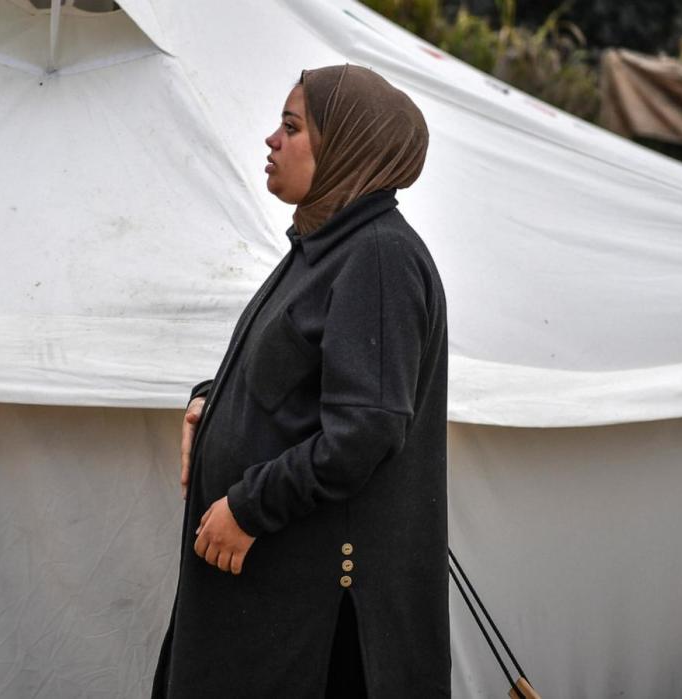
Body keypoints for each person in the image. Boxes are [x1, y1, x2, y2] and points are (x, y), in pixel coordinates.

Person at [151, 65, 450, 698]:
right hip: (269, 600)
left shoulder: (377, 255)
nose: (271, 141)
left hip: (314, 621)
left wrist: (248, 505)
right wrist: (212, 405)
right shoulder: (324, 250)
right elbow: (289, 380)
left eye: (291, 127)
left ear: (346, 148)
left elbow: (364, 429)